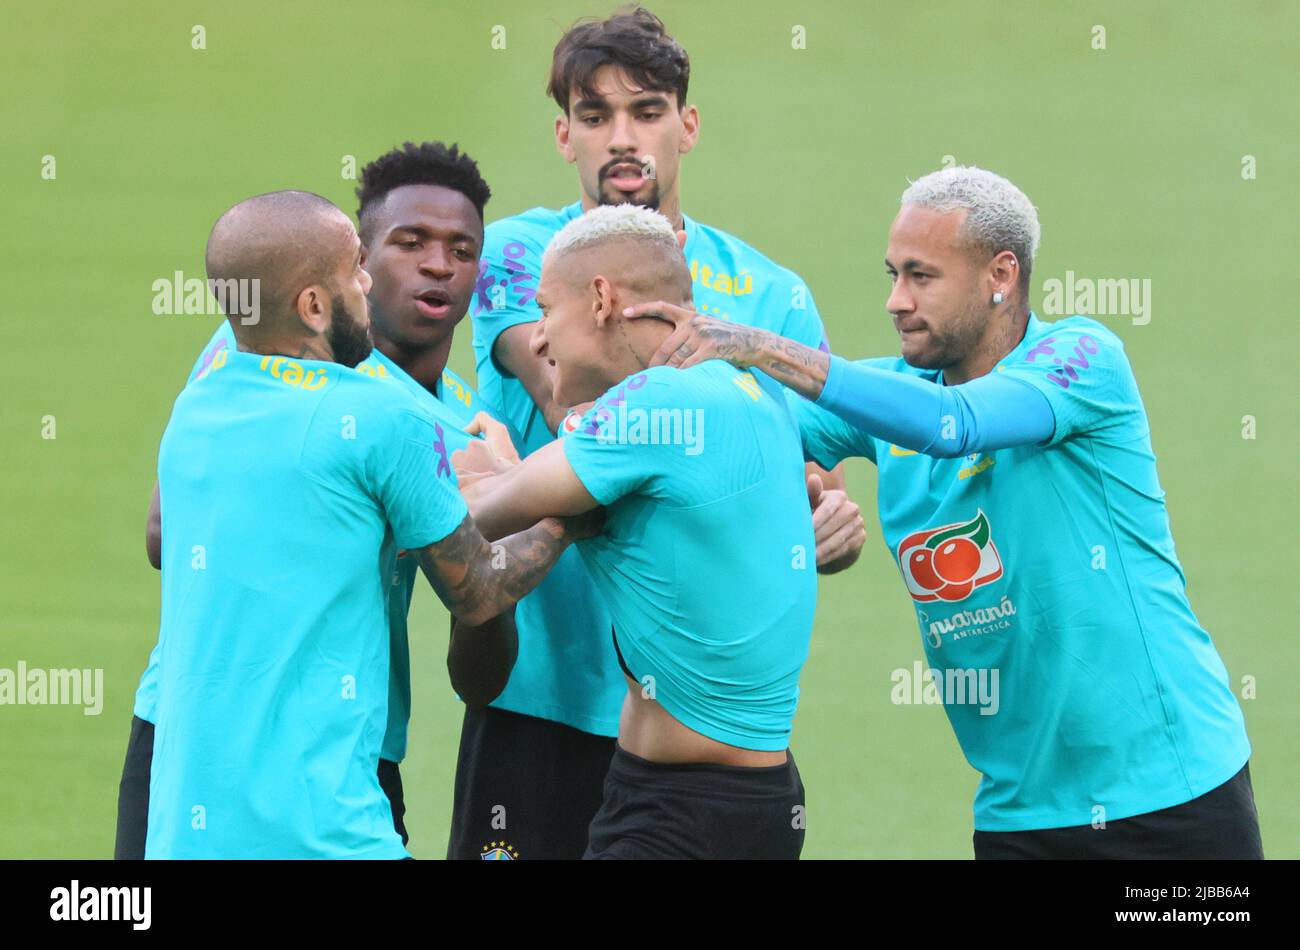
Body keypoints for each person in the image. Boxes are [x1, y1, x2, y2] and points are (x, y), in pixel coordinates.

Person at [631, 165, 1263, 859]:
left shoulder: (1082, 361)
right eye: (892, 274)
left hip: (1172, 794)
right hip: (1019, 814)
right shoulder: (892, 395)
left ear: (1001, 274)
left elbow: (953, 424)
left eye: (921, 276)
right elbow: (740, 436)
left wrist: (761, 346)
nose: (895, 301)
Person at [453, 2, 863, 860]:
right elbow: (575, 403)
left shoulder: (772, 293)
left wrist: (822, 512)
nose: (622, 138)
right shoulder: (527, 256)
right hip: (542, 696)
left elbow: (796, 471)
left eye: (646, 111)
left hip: (695, 721)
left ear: (688, 125)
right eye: (595, 116)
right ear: (565, 136)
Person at [144, 190, 586, 858]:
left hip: (185, 833)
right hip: (326, 833)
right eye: (356, 270)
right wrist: (570, 502)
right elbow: (479, 590)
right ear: (314, 306)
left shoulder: (195, 410)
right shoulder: (379, 420)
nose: (368, 283)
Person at [453, 204, 816, 859]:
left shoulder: (657, 405)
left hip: (684, 816)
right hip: (744, 801)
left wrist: (475, 464)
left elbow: (470, 518)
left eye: (545, 311)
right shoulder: (741, 388)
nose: (537, 339)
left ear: (600, 300)